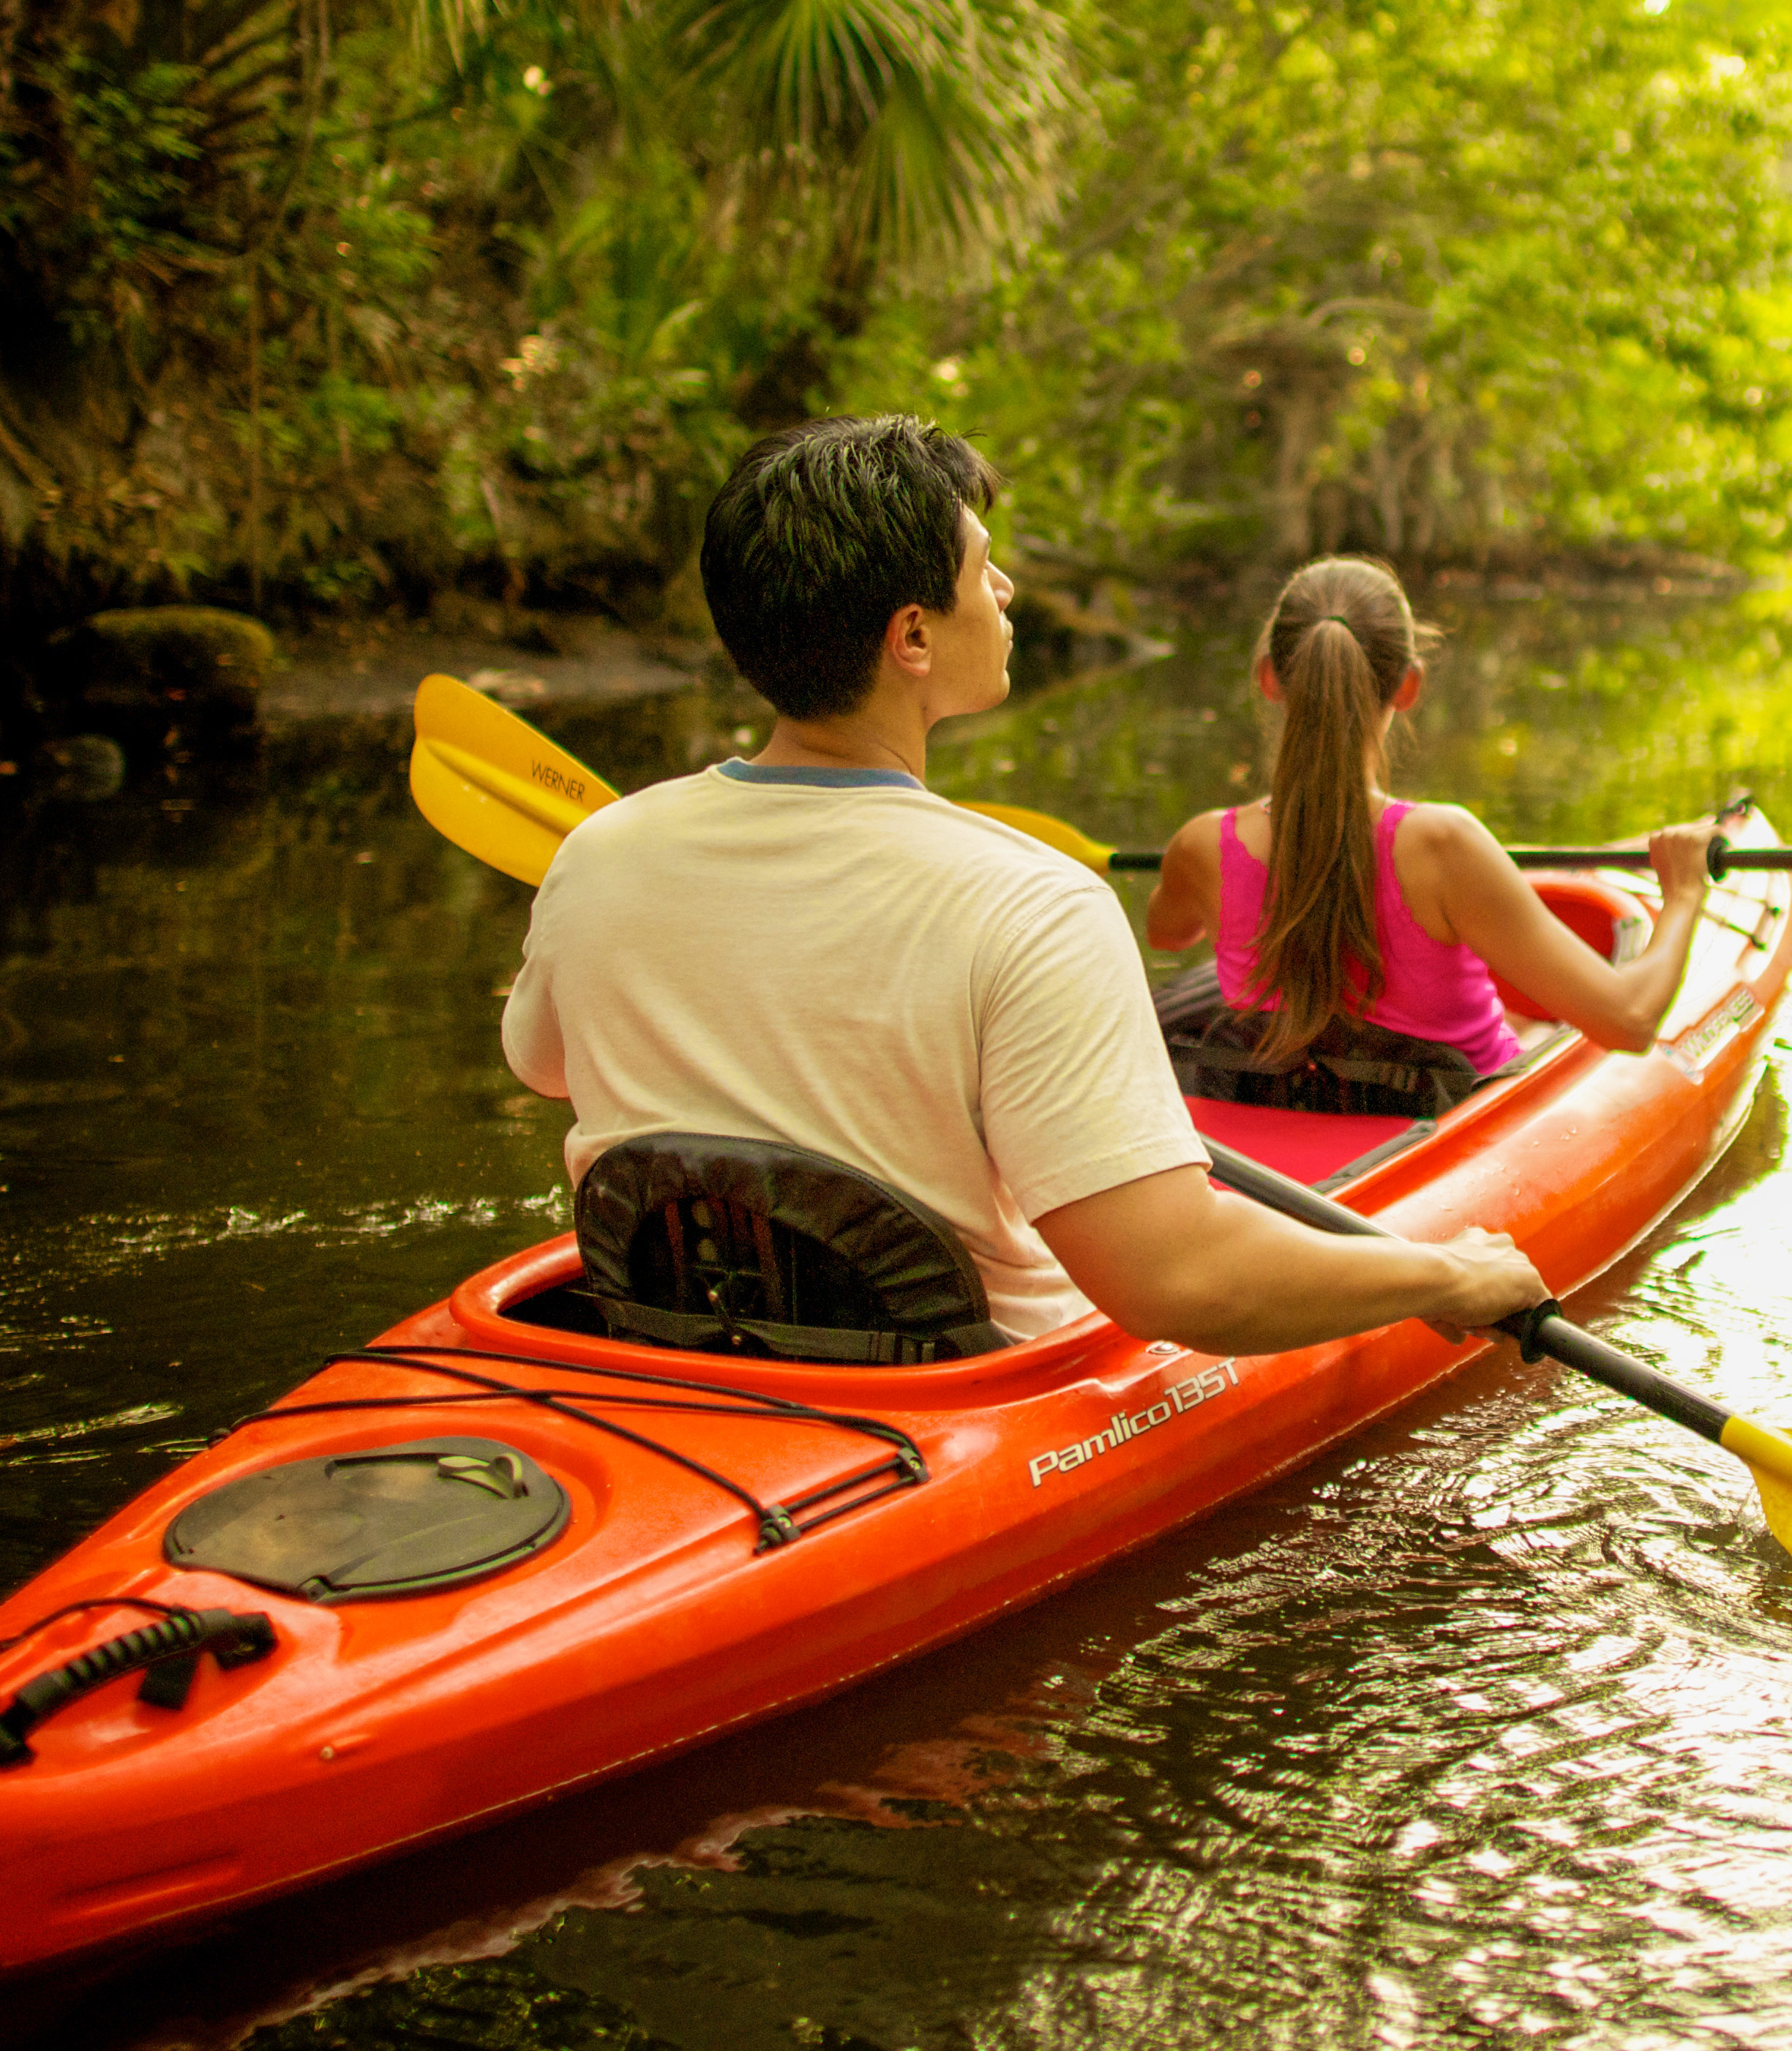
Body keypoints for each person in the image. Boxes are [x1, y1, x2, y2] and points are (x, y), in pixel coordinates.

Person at [501, 417, 1549, 1355]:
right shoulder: (1034, 905)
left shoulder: (599, 850)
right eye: (983, 567)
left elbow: (547, 1065)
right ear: (912, 636)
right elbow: (1179, 1279)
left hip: (663, 1341)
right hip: (969, 1382)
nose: (1004, 591)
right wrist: (1449, 1271)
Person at [1141, 556, 1720, 1073]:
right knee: (1541, 1025)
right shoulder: (1445, 846)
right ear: (1408, 686)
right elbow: (1630, 1021)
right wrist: (1684, 893)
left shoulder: (1202, 847)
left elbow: (1167, 933)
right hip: (1442, 1137)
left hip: (1289, 1123)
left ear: (1270, 678)